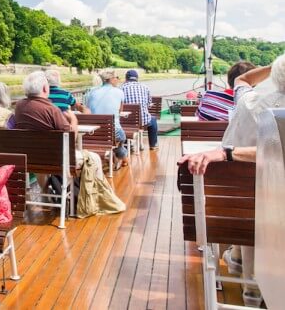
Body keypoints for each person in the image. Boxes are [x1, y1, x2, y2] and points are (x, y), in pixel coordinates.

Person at [178, 54, 285, 307]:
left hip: (241, 217)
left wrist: (276, 66)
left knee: (255, 208)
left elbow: (242, 79)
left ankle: (242, 270)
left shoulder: (248, 102)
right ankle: (240, 264)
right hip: (273, 218)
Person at [85, 69, 129, 167]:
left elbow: (88, 110)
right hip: (113, 132)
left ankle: (115, 157)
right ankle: (123, 158)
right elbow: (120, 111)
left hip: (94, 132)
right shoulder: (119, 92)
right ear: (111, 79)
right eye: (116, 78)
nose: (117, 80)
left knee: (112, 137)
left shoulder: (91, 93)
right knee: (121, 137)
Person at [121, 69, 159, 150]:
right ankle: (153, 145)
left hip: (127, 121)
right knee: (153, 120)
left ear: (126, 78)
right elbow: (149, 104)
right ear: (137, 78)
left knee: (123, 122)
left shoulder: (121, 88)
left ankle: (127, 144)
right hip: (143, 121)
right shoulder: (145, 87)